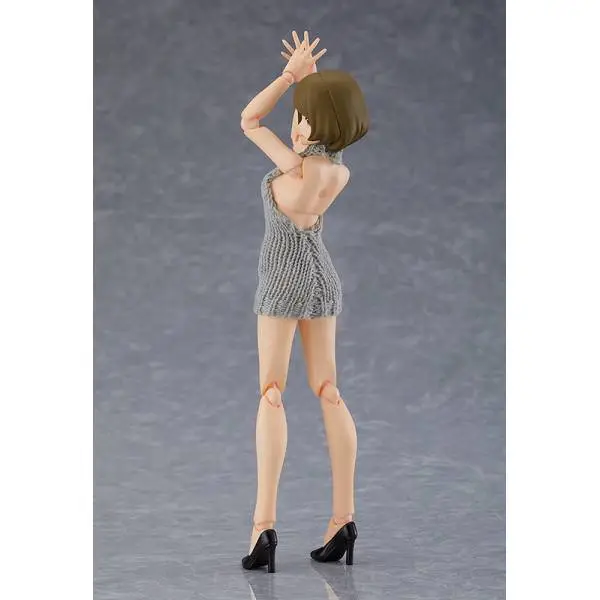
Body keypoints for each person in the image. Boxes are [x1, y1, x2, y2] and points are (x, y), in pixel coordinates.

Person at [239, 30, 369, 573]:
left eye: (302, 119)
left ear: (316, 126)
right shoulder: (337, 171)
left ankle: (263, 526)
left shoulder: (292, 170)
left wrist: (290, 77)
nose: (295, 126)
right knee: (328, 389)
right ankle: (344, 518)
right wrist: (313, 87)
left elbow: (250, 120)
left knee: (272, 392)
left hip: (281, 280)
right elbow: (325, 139)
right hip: (322, 279)